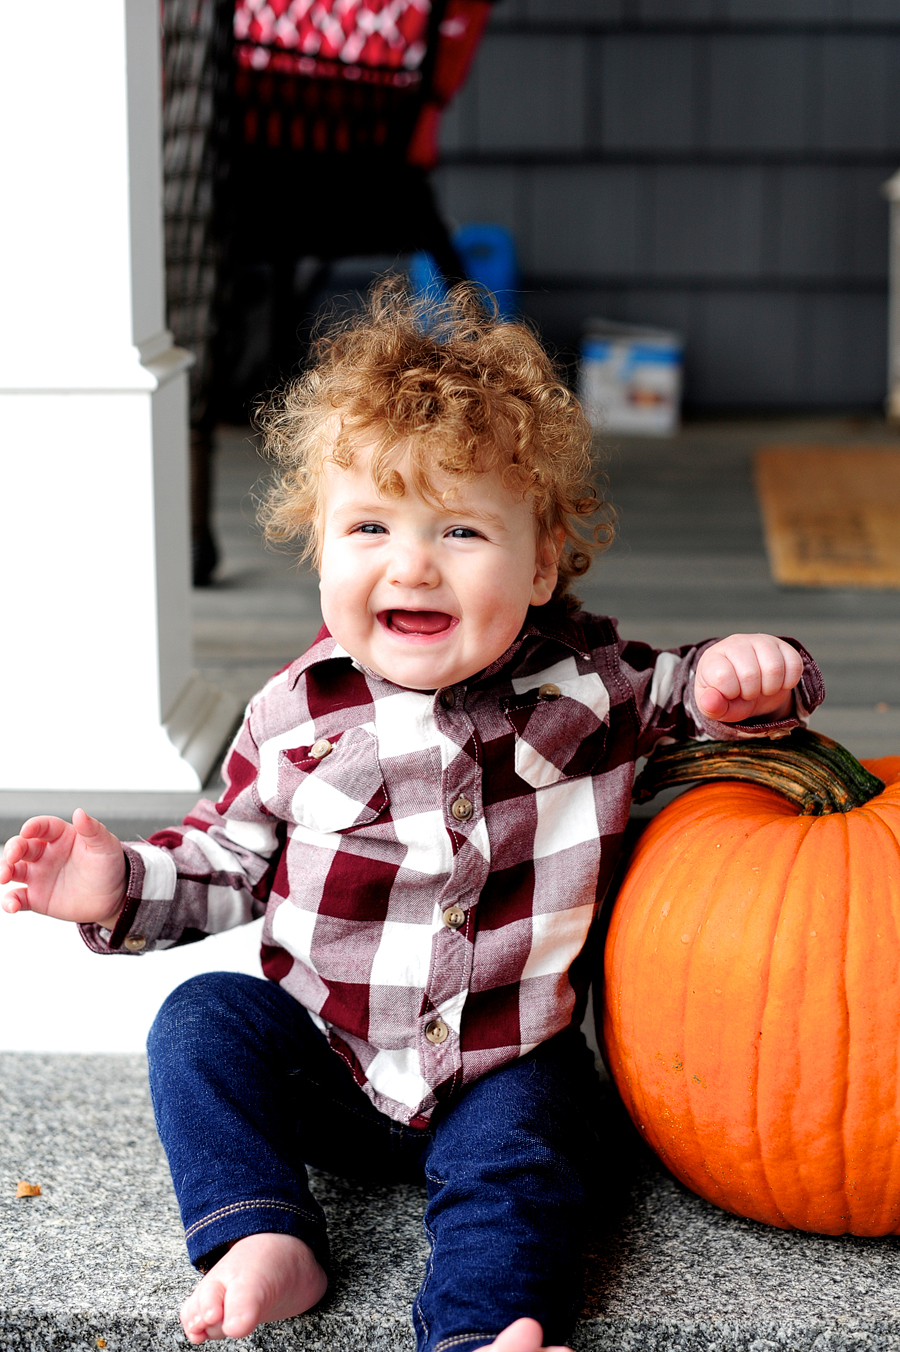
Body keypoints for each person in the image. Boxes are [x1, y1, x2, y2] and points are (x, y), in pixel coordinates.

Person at [0, 282, 824, 1352]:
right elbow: (226, 857)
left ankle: (486, 1328)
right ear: (322, 548)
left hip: (502, 1064)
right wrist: (115, 887)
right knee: (200, 1021)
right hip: (331, 1062)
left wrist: (750, 670)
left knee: (531, 1155)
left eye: (462, 527)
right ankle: (262, 1233)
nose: (412, 560)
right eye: (372, 525)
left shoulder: (596, 686)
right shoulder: (297, 712)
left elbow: (716, 698)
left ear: (540, 563)